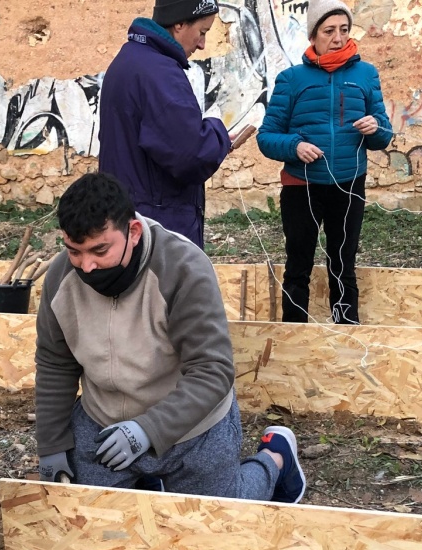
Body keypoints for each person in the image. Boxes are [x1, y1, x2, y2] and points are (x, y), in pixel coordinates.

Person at [33, 171, 306, 502]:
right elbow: (55, 363)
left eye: (99, 250)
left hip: (192, 425)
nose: (86, 266)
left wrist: (147, 430)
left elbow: (213, 370)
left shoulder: (183, 267)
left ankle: (275, 459)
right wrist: (51, 445)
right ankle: (147, 480)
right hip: (104, 425)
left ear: (132, 232)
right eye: (74, 251)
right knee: (91, 525)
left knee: (213, 530)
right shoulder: (62, 278)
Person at [256, 0, 392, 324]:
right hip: (301, 186)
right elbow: (266, 136)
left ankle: (346, 337)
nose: (338, 37)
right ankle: (293, 337)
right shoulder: (291, 79)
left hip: (348, 183)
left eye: (344, 30)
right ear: (313, 35)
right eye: (329, 31)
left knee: (343, 264)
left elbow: (384, 135)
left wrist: (376, 128)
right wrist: (295, 145)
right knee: (298, 266)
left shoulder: (365, 75)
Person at [98, 0, 252, 250]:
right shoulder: (159, 72)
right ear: (180, 23)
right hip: (157, 226)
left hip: (128, 214)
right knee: (168, 290)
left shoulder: (131, 59)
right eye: (202, 32)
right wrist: (218, 133)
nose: (202, 44)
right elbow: (190, 154)